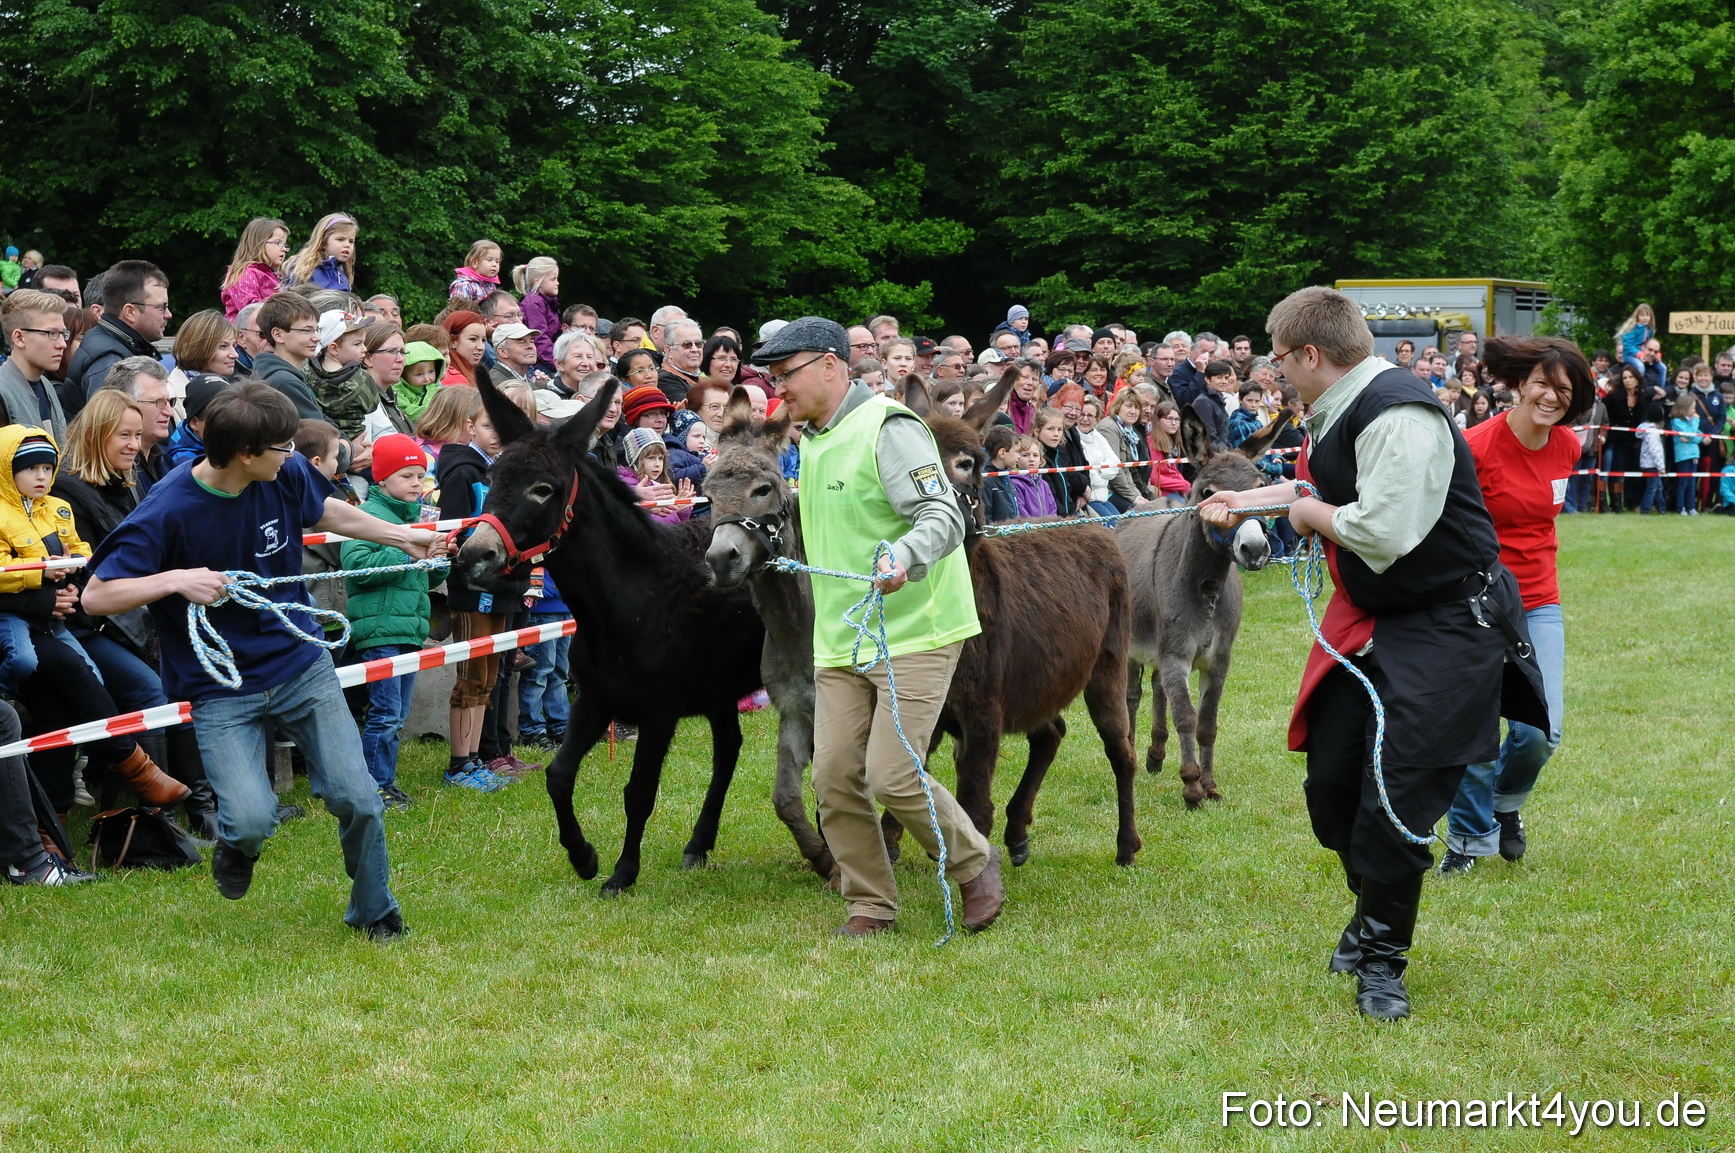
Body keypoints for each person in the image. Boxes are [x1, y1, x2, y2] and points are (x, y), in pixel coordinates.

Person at [1199, 286, 1544, 1021]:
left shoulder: (1397, 412)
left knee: (1396, 798)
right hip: (1374, 617)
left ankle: (1381, 960)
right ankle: (1369, 909)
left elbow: (1381, 532)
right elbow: (1318, 488)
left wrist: (1300, 513)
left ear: (1310, 354)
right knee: (1330, 786)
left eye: (1280, 357)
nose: (1275, 370)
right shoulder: (1342, 406)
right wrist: (1249, 504)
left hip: (1446, 626)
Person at [83, 381, 447, 939]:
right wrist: (178, 579)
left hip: (300, 663)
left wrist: (402, 537)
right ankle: (238, 845)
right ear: (246, 454)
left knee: (359, 798)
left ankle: (375, 910)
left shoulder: (285, 471)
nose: (294, 455)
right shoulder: (171, 507)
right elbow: (97, 595)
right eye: (282, 447)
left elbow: (324, 509)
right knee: (251, 819)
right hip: (221, 686)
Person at [752, 317, 1003, 937]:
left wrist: (905, 556)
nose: (778, 389)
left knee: (891, 774)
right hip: (841, 636)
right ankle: (870, 905)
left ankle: (973, 863)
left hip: (916, 629)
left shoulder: (889, 428)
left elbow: (941, 513)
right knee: (834, 777)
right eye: (773, 378)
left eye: (787, 375)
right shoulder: (812, 439)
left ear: (832, 366)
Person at [1440, 337, 1594, 876]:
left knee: (1540, 732)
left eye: (1564, 389)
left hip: (1540, 602)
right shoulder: (1476, 446)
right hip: (1478, 602)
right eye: (1543, 383)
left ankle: (1505, 808)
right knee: (1477, 731)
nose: (1551, 397)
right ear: (1521, 383)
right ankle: (1466, 840)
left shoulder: (1568, 447)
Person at [342, 435, 443, 811]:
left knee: (397, 715)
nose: (417, 484)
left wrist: (437, 557)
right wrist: (402, 545)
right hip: (380, 629)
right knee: (383, 714)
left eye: (421, 476)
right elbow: (357, 569)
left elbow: (427, 580)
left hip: (409, 629)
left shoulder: (416, 518)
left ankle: (386, 781)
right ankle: (373, 787)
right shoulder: (367, 517)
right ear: (382, 479)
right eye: (407, 476)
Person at [434, 395, 521, 793]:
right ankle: (460, 764)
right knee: (470, 678)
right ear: (471, 427)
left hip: (502, 584)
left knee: (488, 677)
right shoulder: (462, 471)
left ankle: (475, 759)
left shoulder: (498, 469)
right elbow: (454, 531)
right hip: (471, 588)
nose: (496, 435)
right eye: (488, 426)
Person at [61, 261, 170, 419]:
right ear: (130, 311)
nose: (168, 314)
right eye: (162, 307)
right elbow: (110, 433)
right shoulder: (108, 362)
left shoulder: (114, 346)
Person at [0, 289, 74, 445]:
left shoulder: (46, 386)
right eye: (51, 333)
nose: (62, 344)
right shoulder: (3, 393)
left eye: (63, 333)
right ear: (19, 338)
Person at [250, 293, 326, 421]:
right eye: (306, 330)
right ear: (278, 335)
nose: (317, 338)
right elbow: (320, 435)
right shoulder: (285, 383)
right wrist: (346, 442)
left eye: (317, 329)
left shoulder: (279, 374)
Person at [220, 217, 290, 320]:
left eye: (285, 244)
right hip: (246, 334)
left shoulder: (271, 275)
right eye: (278, 243)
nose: (284, 249)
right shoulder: (245, 274)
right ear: (259, 243)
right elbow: (251, 311)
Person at [283, 213, 359, 293]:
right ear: (323, 242)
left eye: (351, 241)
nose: (347, 245)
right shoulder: (304, 269)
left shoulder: (342, 274)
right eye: (340, 239)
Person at [513, 257, 561, 369]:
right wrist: (557, 364)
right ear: (538, 282)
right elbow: (539, 338)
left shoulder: (546, 302)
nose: (557, 283)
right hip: (540, 362)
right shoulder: (533, 304)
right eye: (553, 279)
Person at [1668, 392, 1706, 514]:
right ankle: (1681, 507)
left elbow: (1699, 436)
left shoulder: (1691, 421)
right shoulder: (1677, 421)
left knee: (1692, 482)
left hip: (1694, 454)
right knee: (1683, 482)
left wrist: (1690, 438)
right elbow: (1691, 432)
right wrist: (1695, 422)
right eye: (1693, 408)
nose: (1694, 411)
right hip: (1683, 455)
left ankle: (1691, 507)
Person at [396, 341, 444, 425]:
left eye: (431, 371)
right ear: (404, 375)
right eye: (419, 374)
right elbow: (408, 414)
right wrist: (438, 410)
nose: (427, 378)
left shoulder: (438, 388)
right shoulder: (398, 390)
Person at [1635, 405, 1667, 514]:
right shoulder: (1653, 432)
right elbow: (1655, 450)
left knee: (1658, 487)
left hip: (1649, 463)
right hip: (1652, 464)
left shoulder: (1646, 429)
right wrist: (1661, 466)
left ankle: (1662, 509)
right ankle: (1645, 509)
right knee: (1652, 489)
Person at [441, 310, 487, 386]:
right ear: (452, 341)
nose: (481, 347)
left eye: (483, 340)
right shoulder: (452, 379)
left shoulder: (474, 374)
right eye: (473, 339)